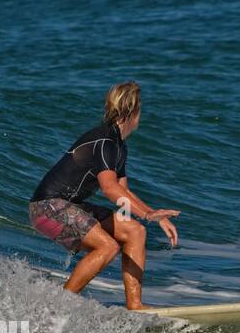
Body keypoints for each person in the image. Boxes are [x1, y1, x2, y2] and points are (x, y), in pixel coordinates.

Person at [28, 81, 179, 310]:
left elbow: (123, 192)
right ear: (133, 112)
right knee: (108, 246)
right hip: (48, 207)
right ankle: (60, 306)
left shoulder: (120, 146)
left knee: (135, 231)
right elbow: (109, 189)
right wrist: (148, 214)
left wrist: (156, 218)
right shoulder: (105, 140)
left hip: (71, 206)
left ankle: (135, 306)